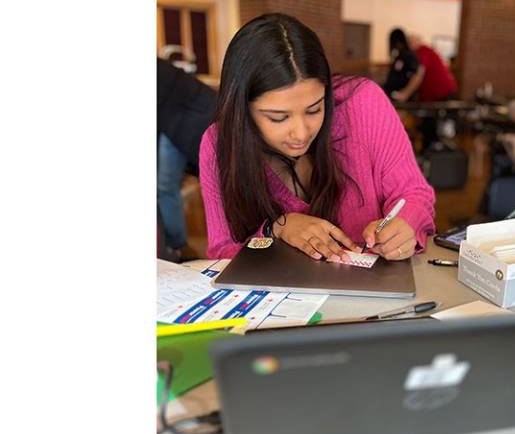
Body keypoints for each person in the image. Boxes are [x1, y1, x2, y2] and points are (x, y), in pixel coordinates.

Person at [199, 13, 436, 262]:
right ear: (242, 110)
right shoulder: (219, 144)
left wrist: (406, 223)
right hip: (284, 299)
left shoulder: (362, 103)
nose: (301, 133)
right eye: (278, 118)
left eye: (314, 109)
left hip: (374, 292)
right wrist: (276, 229)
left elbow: (415, 193)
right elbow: (222, 253)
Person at [157, 57, 217, 261]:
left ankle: (178, 248)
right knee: (165, 188)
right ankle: (179, 247)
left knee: (165, 188)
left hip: (186, 123)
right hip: (179, 121)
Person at [381, 28, 423, 103]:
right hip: (393, 94)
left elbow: (418, 74)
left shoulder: (408, 54)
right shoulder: (400, 55)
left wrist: (405, 93)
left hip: (402, 98)